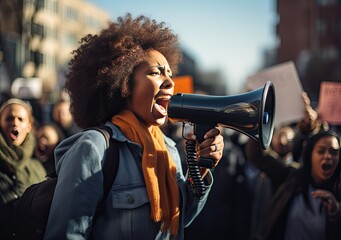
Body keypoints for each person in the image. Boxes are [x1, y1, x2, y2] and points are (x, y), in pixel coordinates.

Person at [44, 13, 224, 240]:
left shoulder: (168, 149)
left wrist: (200, 169)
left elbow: (178, 221)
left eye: (169, 74)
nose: (170, 81)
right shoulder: (94, 148)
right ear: (124, 85)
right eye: (155, 72)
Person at [247, 130, 341, 240]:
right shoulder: (292, 177)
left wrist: (337, 214)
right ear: (310, 155)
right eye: (321, 151)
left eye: (334, 152)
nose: (328, 156)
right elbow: (257, 156)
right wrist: (261, 123)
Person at [0, 98, 46, 237]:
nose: (15, 122)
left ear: (29, 126)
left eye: (21, 119)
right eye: (9, 118)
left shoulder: (37, 167)